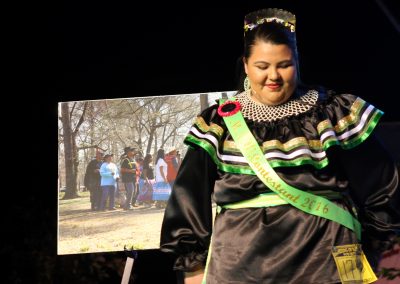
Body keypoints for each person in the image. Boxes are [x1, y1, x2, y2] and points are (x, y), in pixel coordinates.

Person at [160, 8, 400, 284]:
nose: (273, 76)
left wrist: (376, 252)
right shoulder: (217, 124)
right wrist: (193, 269)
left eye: (284, 65)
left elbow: (383, 190)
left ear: (297, 62)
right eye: (262, 66)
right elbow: (188, 200)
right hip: (239, 270)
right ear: (246, 66)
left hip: (330, 264)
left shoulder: (335, 113)